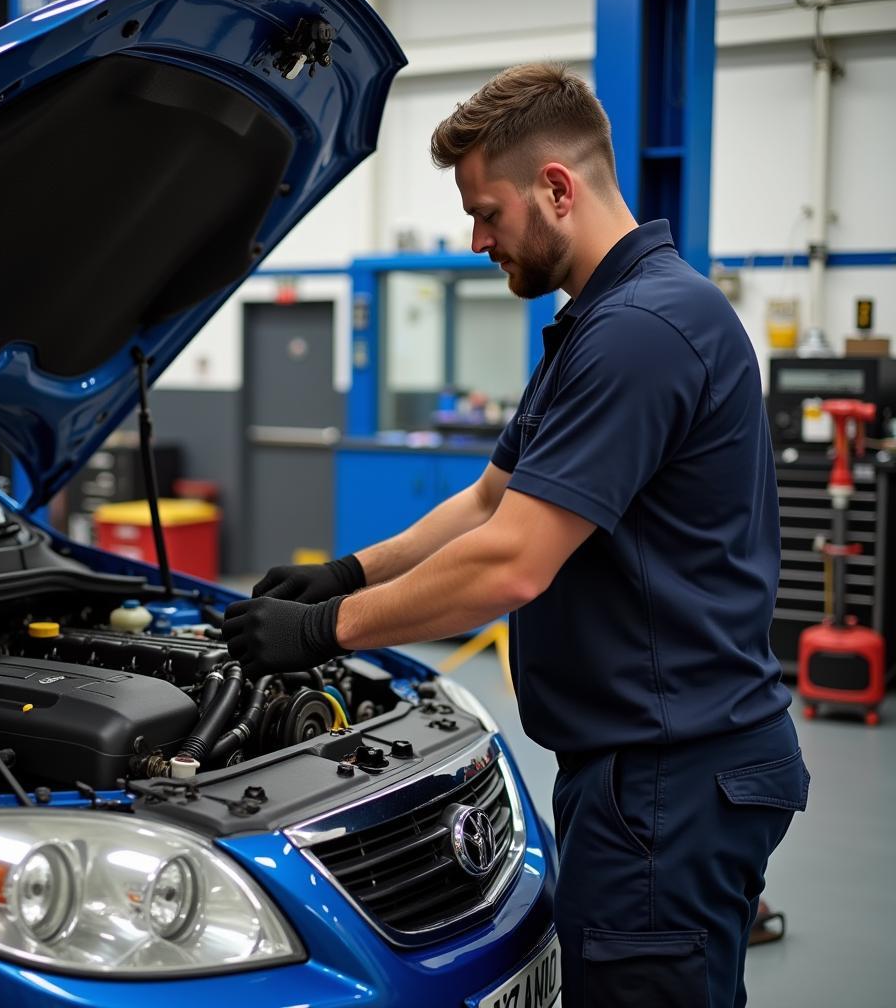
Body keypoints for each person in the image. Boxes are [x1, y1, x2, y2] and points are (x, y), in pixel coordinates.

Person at [223, 63, 808, 1008]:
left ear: (558, 189)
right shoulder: (601, 324)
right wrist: (342, 573)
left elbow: (514, 561)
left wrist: (324, 633)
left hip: (668, 781)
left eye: (488, 210)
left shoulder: (641, 332)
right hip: (648, 767)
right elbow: (491, 501)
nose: (477, 236)